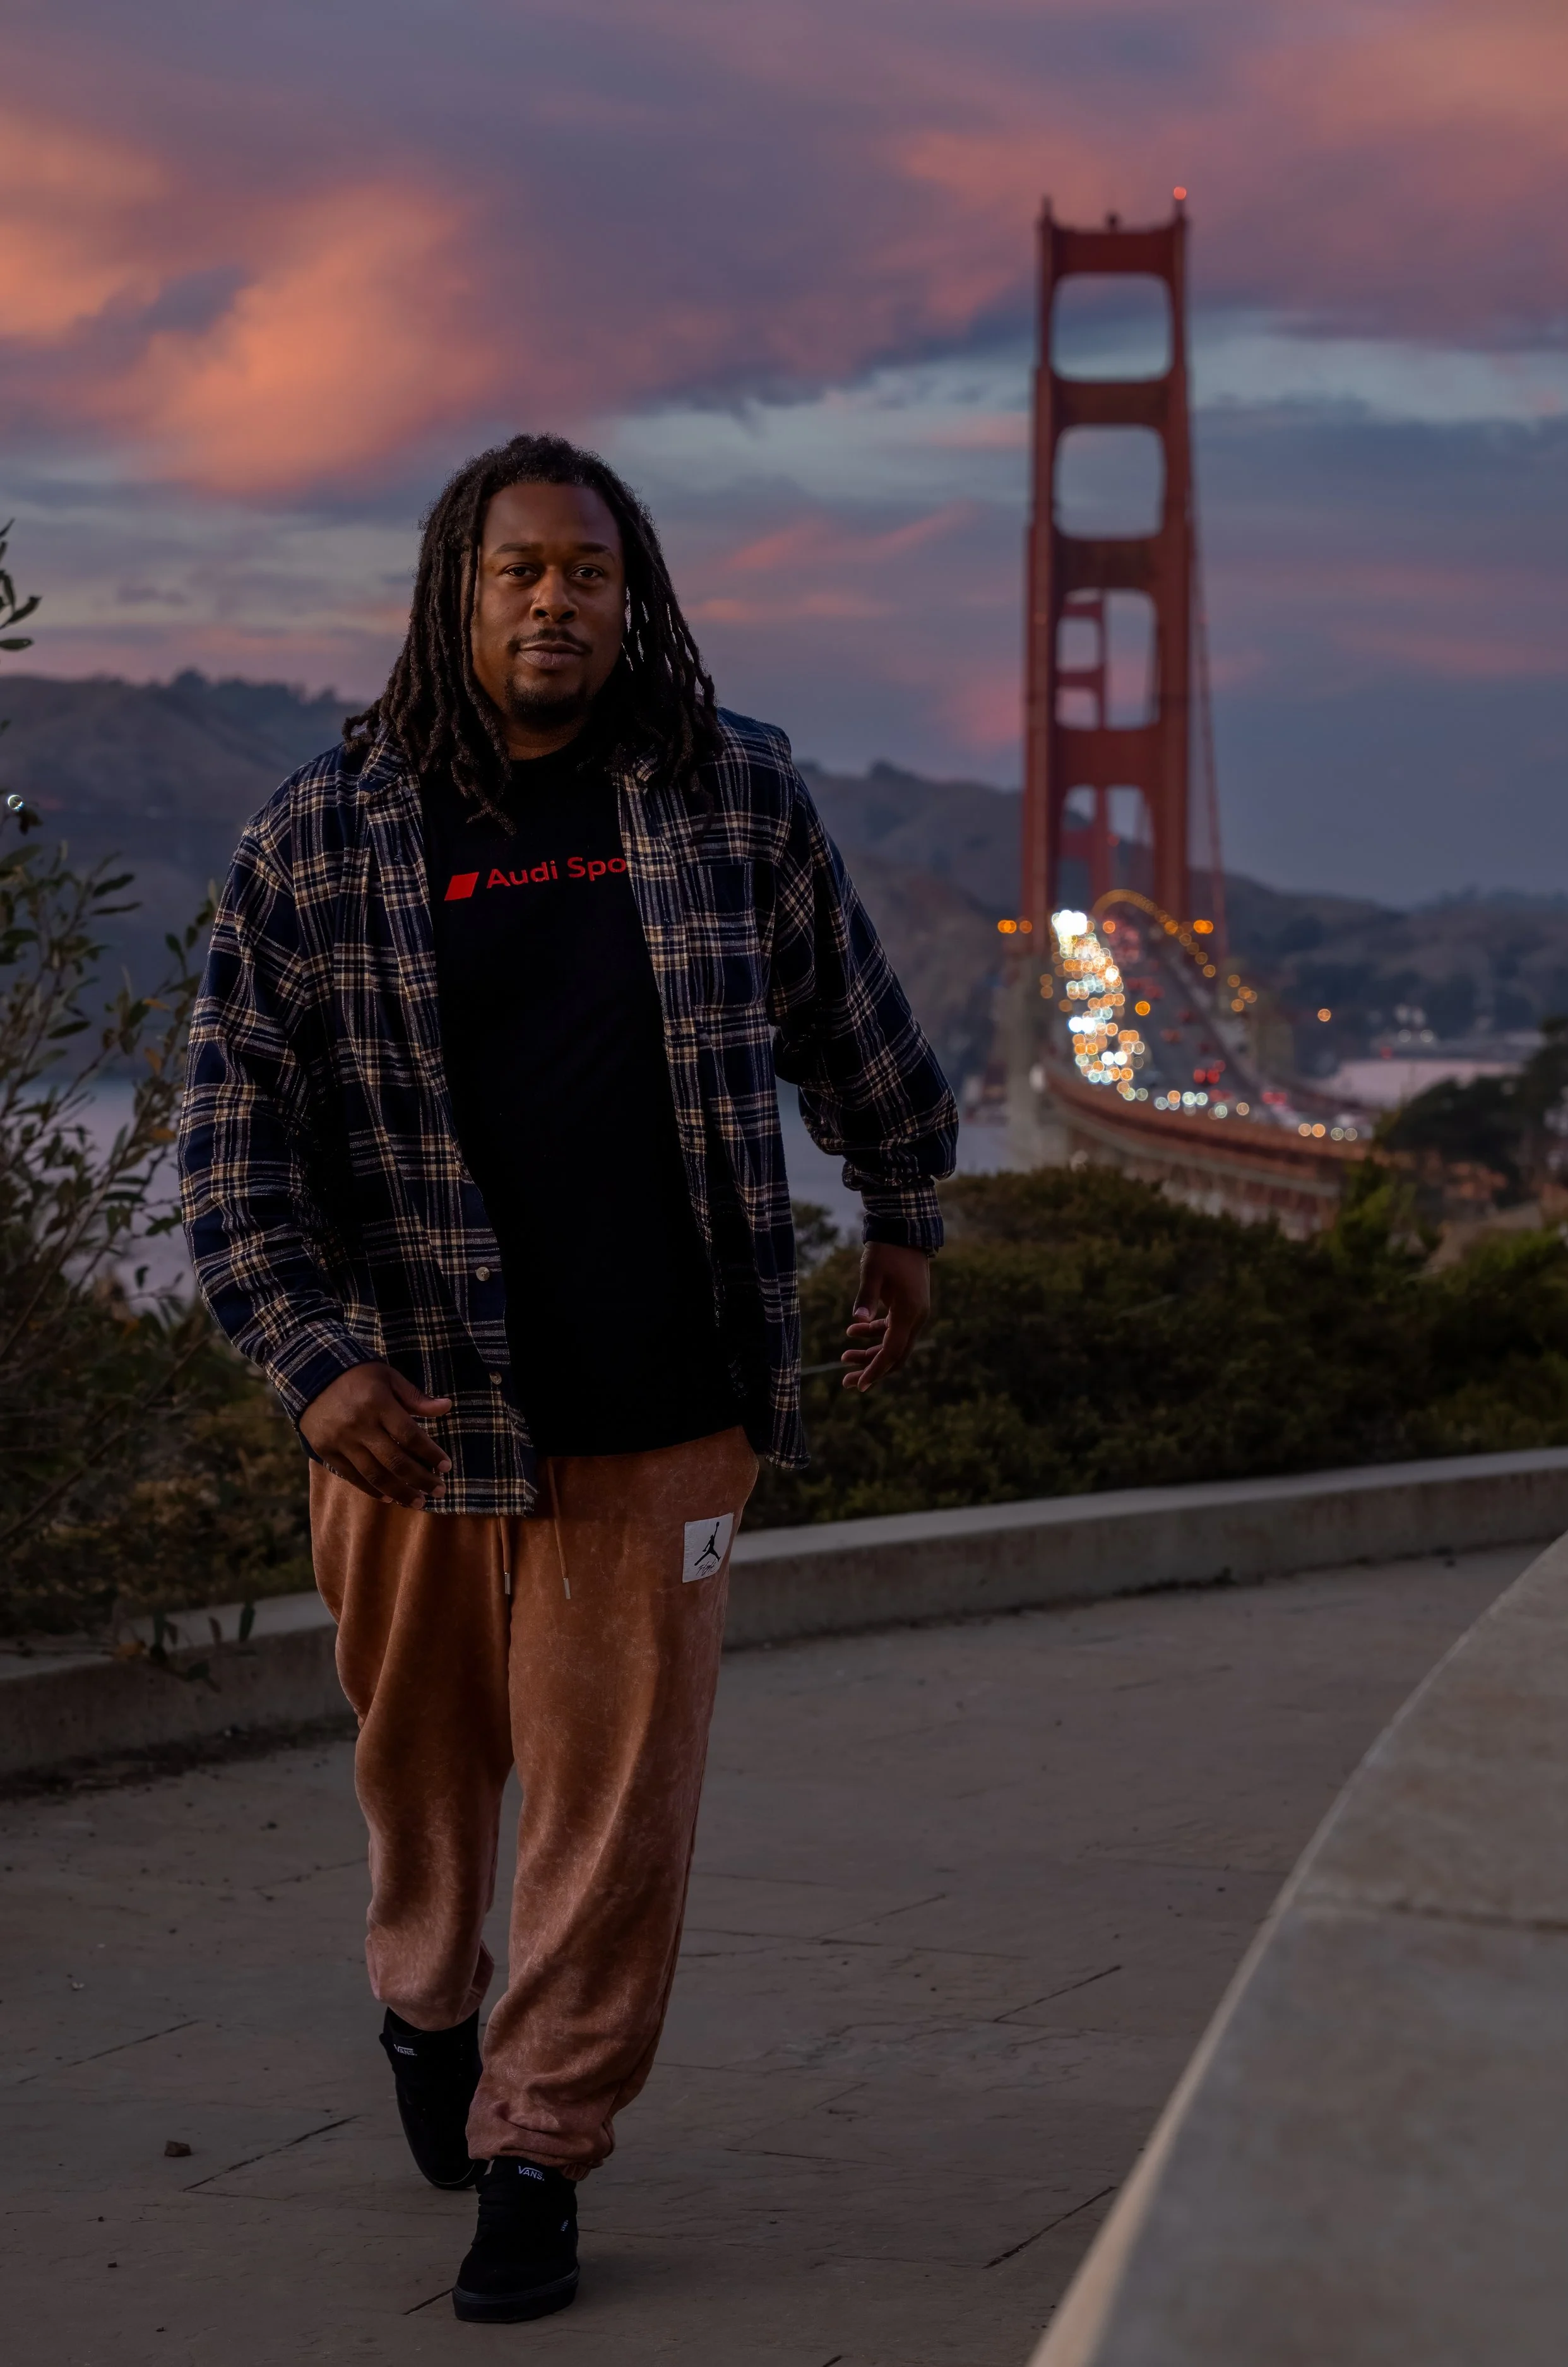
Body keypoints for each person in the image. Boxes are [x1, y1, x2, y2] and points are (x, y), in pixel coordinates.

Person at [177, 434, 956, 2324]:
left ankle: (538, 2144)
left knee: (617, 1802)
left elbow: (850, 1016)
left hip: (666, 1398)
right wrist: (310, 1357)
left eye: (589, 571)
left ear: (637, 595)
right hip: (414, 1411)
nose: (557, 600)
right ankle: (426, 1993)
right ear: (459, 591)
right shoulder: (327, 828)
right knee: (421, 1757)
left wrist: (902, 1204)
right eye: (520, 569)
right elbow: (225, 1132)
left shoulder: (730, 792)